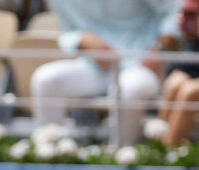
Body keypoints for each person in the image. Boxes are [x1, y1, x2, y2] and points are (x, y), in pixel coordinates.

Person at [29, 0, 181, 146]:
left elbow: (175, 8)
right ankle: (52, 154)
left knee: (128, 89)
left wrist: (159, 47)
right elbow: (68, 32)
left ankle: (123, 158)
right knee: (45, 79)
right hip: (95, 67)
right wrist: (83, 40)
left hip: (141, 65)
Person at [162, 0, 199, 145]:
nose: (187, 18)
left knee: (189, 91)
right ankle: (160, 146)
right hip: (192, 72)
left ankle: (171, 150)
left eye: (192, 14)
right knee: (173, 83)